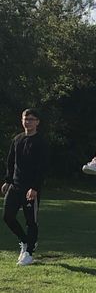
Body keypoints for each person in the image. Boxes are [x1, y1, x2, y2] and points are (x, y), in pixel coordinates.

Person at [1, 108, 48, 266]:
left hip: (31, 188)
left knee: (31, 221)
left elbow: (42, 167)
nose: (28, 122)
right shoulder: (17, 139)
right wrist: (8, 181)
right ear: (22, 120)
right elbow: (10, 162)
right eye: (25, 119)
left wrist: (34, 187)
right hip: (15, 185)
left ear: (37, 122)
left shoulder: (40, 141)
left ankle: (28, 253)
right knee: (8, 216)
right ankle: (25, 241)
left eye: (31, 119)